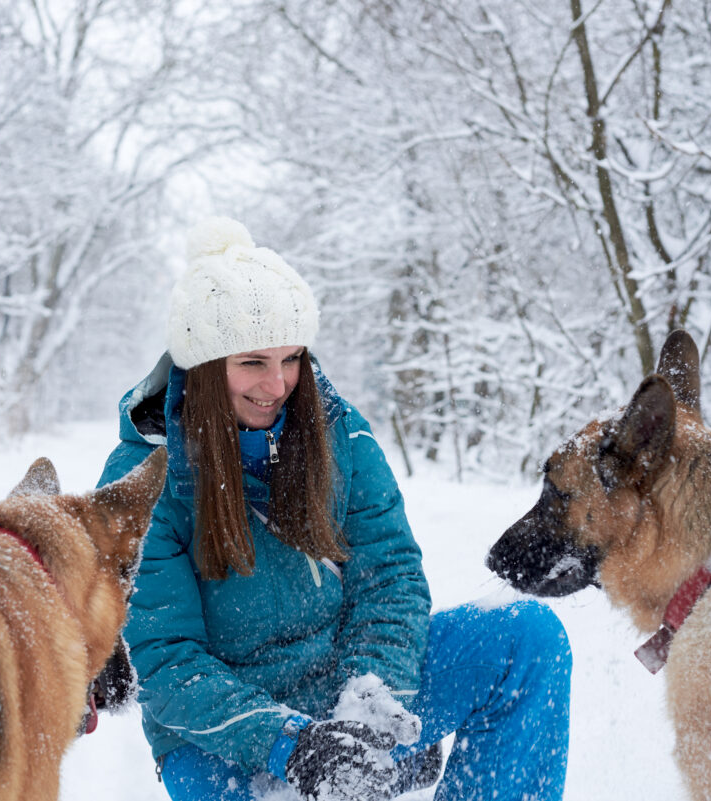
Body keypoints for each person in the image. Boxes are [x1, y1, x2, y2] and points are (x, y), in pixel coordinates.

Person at [96, 216, 571, 801]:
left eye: (291, 358)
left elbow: (391, 578)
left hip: (345, 685)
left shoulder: (339, 433)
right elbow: (167, 662)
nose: (277, 384)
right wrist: (289, 743)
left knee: (526, 638)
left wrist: (369, 704)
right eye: (252, 362)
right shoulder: (141, 477)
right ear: (203, 366)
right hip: (224, 733)